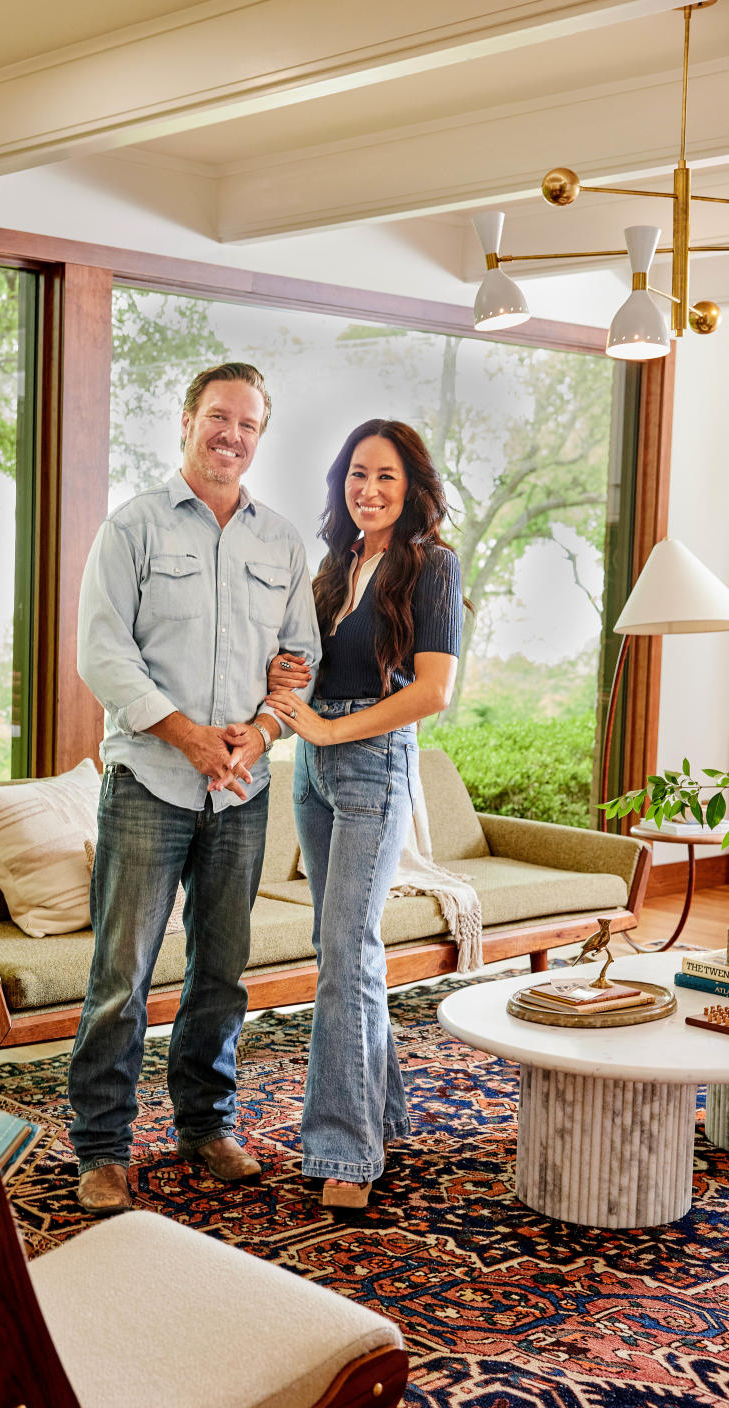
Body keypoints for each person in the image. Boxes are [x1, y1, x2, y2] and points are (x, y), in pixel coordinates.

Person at [69, 361, 320, 1216]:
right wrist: (186, 733)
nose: (233, 436)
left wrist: (260, 730)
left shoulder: (282, 543)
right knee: (121, 975)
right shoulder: (132, 528)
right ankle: (101, 1148)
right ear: (187, 421)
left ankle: (205, 1125)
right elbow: (103, 654)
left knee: (223, 972)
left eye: (249, 425)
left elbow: (300, 664)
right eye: (220, 417)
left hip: (242, 790)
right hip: (149, 782)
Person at [265, 418, 463, 1210]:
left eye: (384, 475)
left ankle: (345, 1153)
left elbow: (432, 691)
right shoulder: (335, 564)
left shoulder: (431, 566)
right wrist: (287, 679)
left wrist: (330, 728)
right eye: (356, 474)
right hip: (312, 770)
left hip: (373, 764)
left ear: (411, 486)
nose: (367, 489)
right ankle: (383, 1115)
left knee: (345, 950)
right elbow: (314, 669)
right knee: (342, 944)